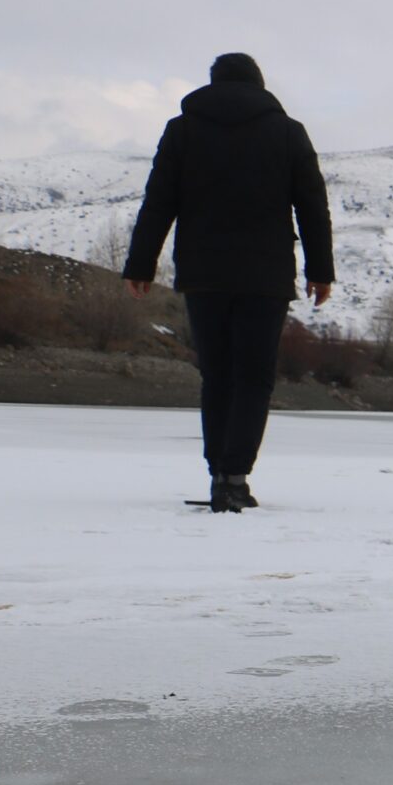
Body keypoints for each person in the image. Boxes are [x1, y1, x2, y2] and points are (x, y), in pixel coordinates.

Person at [123, 53, 335, 513]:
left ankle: (218, 472)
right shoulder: (287, 131)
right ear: (259, 85)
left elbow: (159, 199)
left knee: (216, 375)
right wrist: (321, 270)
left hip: (204, 273)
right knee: (253, 377)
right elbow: (312, 206)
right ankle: (235, 477)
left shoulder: (183, 130)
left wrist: (140, 263)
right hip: (265, 274)